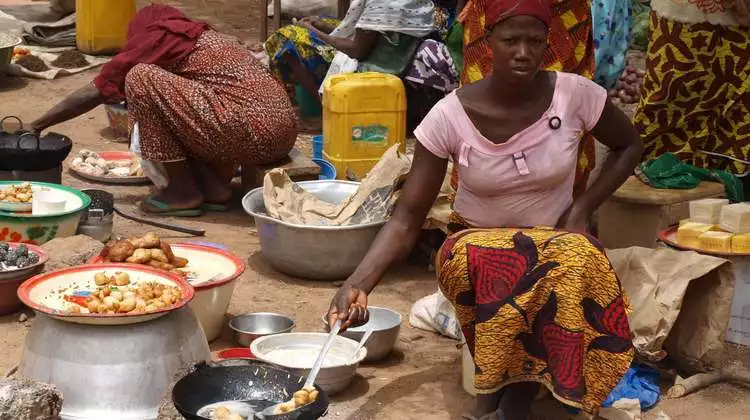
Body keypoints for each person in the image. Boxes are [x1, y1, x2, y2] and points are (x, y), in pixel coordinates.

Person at [326, 1, 643, 419]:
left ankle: (511, 401)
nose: (523, 52)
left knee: (576, 255)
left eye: (534, 41)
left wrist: (583, 207)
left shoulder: (574, 95)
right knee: (506, 263)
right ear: (487, 41)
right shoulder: (450, 115)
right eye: (510, 40)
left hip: (556, 241)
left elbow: (630, 145)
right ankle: (502, 399)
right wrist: (358, 282)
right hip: (472, 244)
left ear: (547, 43)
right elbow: (407, 217)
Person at [29, 4, 297, 216]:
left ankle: (181, 192)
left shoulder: (159, 37)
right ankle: (213, 187)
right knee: (173, 101)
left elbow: (98, 88)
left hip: (255, 132)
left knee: (140, 77)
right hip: (281, 134)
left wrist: (37, 125)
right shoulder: (205, 39)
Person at [459, 0, 596, 196]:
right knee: (480, 119)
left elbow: (626, 144)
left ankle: (567, 209)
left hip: (563, 15)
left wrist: (582, 210)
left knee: (565, 112)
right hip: (495, 9)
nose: (523, 52)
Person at [265, 0, 460, 126]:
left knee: (285, 38)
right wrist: (322, 25)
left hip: (376, 61)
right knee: (322, 21)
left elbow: (357, 49)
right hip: (396, 49)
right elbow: (369, 29)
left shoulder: (379, 4)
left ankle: (328, 110)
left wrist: (314, 31)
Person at [632, 0, 750, 178]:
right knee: (670, 93)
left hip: (738, 25)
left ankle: (728, 185)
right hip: (680, 17)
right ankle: (653, 168)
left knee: (735, 100)